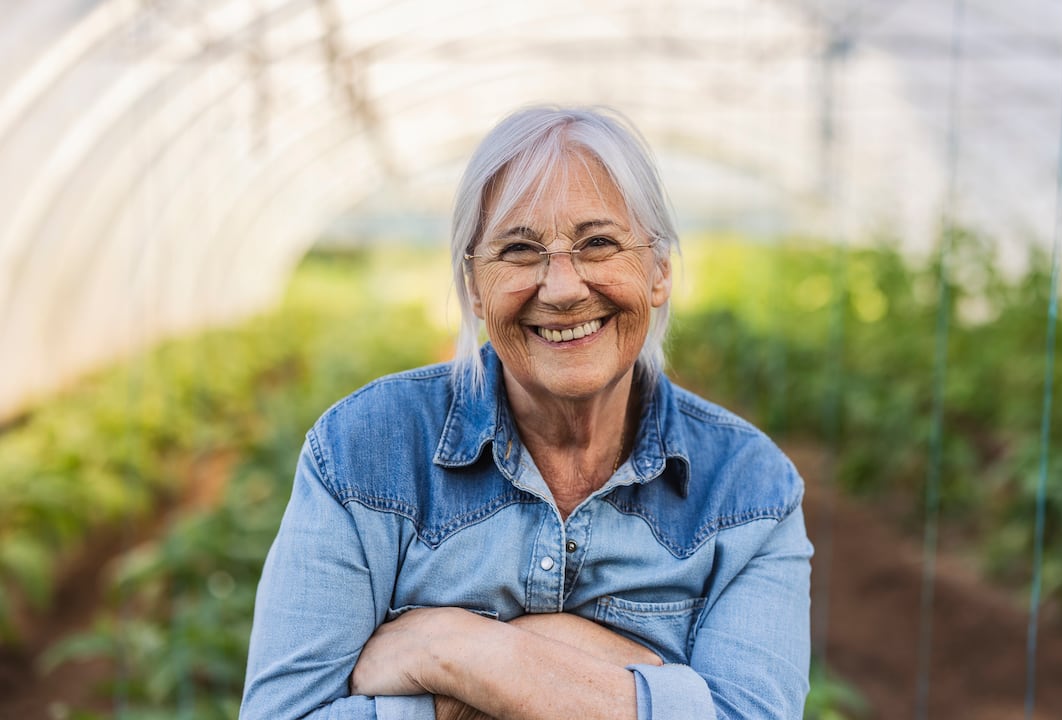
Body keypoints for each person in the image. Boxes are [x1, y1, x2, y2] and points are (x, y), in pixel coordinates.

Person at [240, 106, 813, 720]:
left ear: (659, 271)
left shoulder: (749, 489)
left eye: (598, 243)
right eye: (518, 249)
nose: (562, 288)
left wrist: (455, 653)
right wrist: (649, 684)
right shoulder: (364, 449)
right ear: (475, 287)